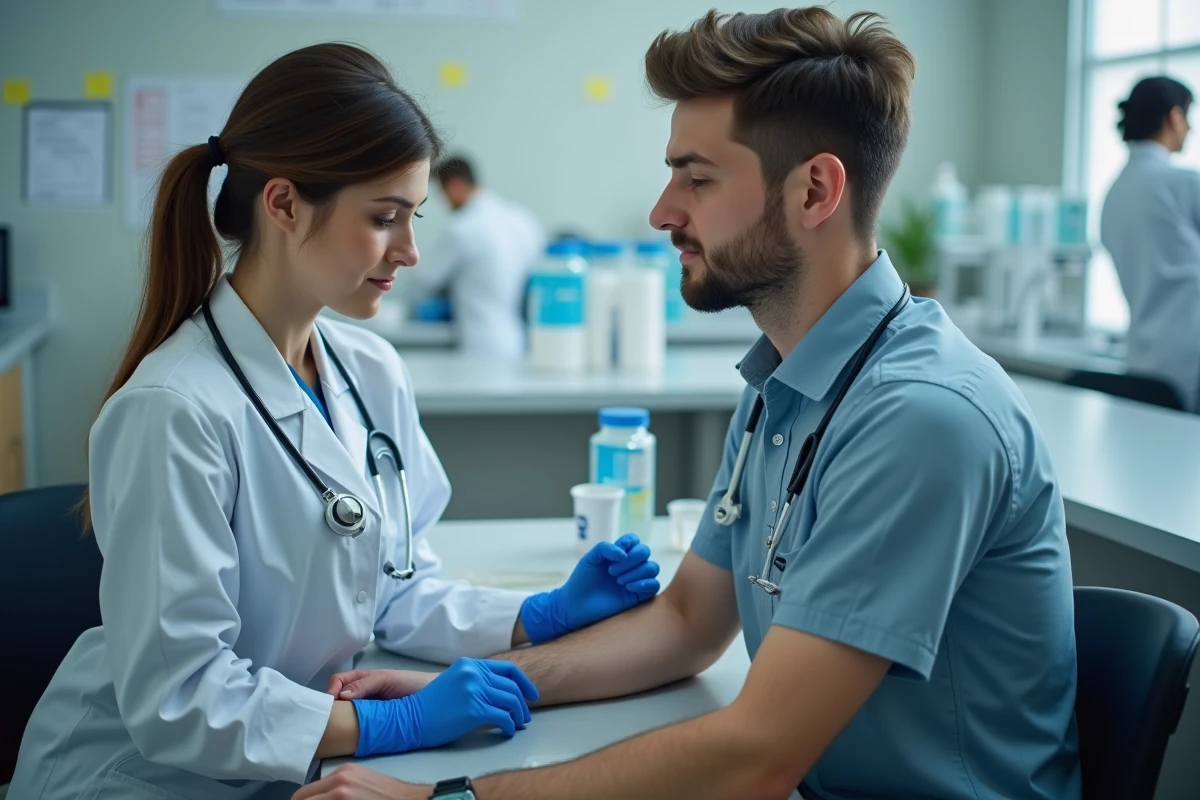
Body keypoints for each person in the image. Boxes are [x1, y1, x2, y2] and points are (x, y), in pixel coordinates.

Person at [298, 8, 1080, 800]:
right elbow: (686, 624)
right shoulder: (787, 375)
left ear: (815, 190)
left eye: (697, 179)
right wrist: (481, 684)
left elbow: (757, 756)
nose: (663, 210)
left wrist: (453, 798)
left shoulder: (921, 418)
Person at [10, 43, 661, 800]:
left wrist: (538, 615)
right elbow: (179, 697)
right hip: (139, 780)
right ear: (283, 204)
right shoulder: (173, 410)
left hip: (297, 760)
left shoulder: (369, 370)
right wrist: (399, 723)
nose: (412, 252)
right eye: (385, 218)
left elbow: (391, 588)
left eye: (414, 217)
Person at [1100, 76, 1200, 411]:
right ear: (1174, 117)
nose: (1189, 128)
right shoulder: (1183, 185)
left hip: (1141, 365)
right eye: (1188, 118)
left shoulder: (1113, 194)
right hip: (1190, 365)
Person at [406, 155, 545, 359]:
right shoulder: (522, 219)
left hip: (481, 343)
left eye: (443, 194)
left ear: (454, 186)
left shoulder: (462, 227)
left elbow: (425, 280)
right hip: (521, 341)